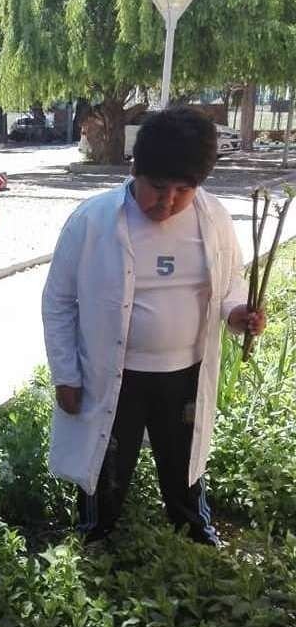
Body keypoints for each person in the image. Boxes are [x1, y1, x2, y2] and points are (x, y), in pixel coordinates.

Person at [42, 107, 266, 547]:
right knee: (107, 461)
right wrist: (65, 375)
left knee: (183, 460)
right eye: (158, 188)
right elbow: (58, 302)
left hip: (184, 374)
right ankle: (95, 533)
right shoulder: (92, 221)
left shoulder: (214, 219)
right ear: (134, 170)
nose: (167, 202)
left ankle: (193, 530)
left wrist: (238, 313)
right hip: (115, 375)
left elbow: (229, 286)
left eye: (183, 190)